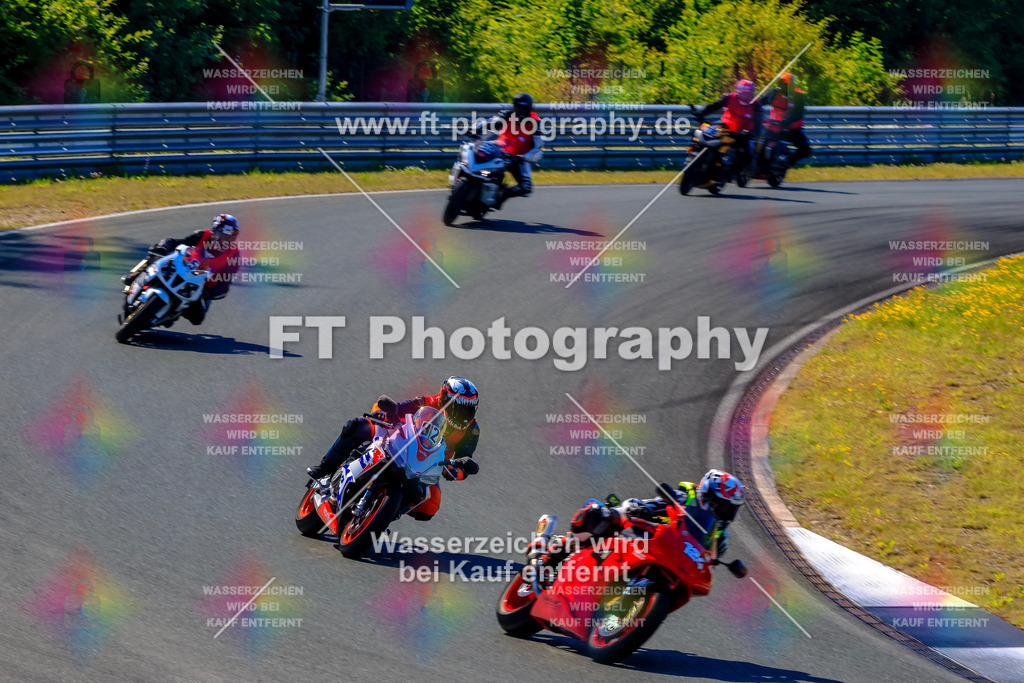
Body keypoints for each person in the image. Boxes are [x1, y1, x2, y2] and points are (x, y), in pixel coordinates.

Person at [306, 377, 481, 520]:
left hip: (429, 464)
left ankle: (387, 513)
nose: (463, 415)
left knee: (431, 506)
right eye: (458, 408)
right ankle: (325, 469)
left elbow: (465, 461)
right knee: (357, 425)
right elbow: (397, 408)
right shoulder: (426, 402)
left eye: (468, 410)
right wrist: (383, 413)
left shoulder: (472, 431)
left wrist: (454, 470)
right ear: (445, 400)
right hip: (400, 443)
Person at [527, 469, 746, 569]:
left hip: (667, 562)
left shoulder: (721, 537)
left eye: (731, 510)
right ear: (707, 495)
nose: (725, 515)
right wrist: (641, 508)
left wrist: (714, 563)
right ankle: (547, 557)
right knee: (598, 513)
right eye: (723, 507)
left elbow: (707, 564)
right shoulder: (685, 497)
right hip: (639, 533)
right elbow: (649, 502)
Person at [122, 214, 241, 325]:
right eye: (224, 237)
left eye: (231, 238)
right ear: (215, 233)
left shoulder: (234, 255)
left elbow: (226, 282)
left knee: (197, 318)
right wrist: (165, 246)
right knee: (157, 255)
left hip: (201, 286)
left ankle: (174, 312)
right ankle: (137, 273)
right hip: (181, 268)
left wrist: (210, 292)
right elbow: (179, 243)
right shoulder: (202, 235)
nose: (227, 241)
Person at [693, 79, 763, 179]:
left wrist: (750, 133)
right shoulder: (729, 97)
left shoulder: (756, 105)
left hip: (743, 134)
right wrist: (701, 112)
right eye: (744, 93)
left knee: (749, 151)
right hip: (724, 127)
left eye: (748, 93)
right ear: (738, 92)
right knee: (706, 134)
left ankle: (742, 172)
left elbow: (758, 126)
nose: (746, 96)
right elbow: (713, 106)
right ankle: (701, 160)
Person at [488, 93, 544, 208]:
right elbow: (490, 123)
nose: (522, 112)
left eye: (525, 108)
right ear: (514, 107)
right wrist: (477, 128)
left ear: (530, 109)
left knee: (526, 188)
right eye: (519, 108)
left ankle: (503, 195)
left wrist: (525, 157)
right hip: (500, 150)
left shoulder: (535, 122)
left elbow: (538, 146)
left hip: (519, 158)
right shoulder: (506, 115)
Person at [760, 72, 811, 168]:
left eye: (787, 84)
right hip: (774, 127)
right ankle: (758, 167)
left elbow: (799, 113)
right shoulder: (774, 92)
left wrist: (786, 121)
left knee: (806, 150)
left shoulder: (799, 95)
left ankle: (787, 162)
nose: (785, 87)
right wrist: (754, 110)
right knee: (760, 144)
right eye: (783, 84)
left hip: (793, 130)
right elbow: (760, 103)